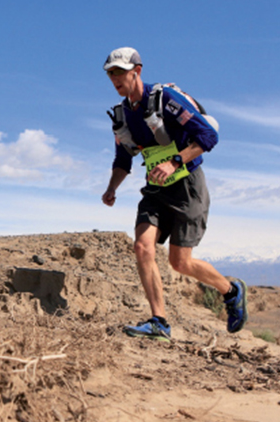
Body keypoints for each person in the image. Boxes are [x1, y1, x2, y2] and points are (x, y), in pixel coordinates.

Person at [100, 47, 247, 342]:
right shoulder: (122, 115)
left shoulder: (164, 99)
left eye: (119, 71)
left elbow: (208, 136)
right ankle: (159, 322)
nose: (114, 77)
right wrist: (112, 187)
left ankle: (231, 291)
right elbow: (123, 160)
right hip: (155, 190)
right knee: (143, 247)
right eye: (110, 73)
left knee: (180, 263)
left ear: (136, 71)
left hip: (187, 186)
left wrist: (175, 161)